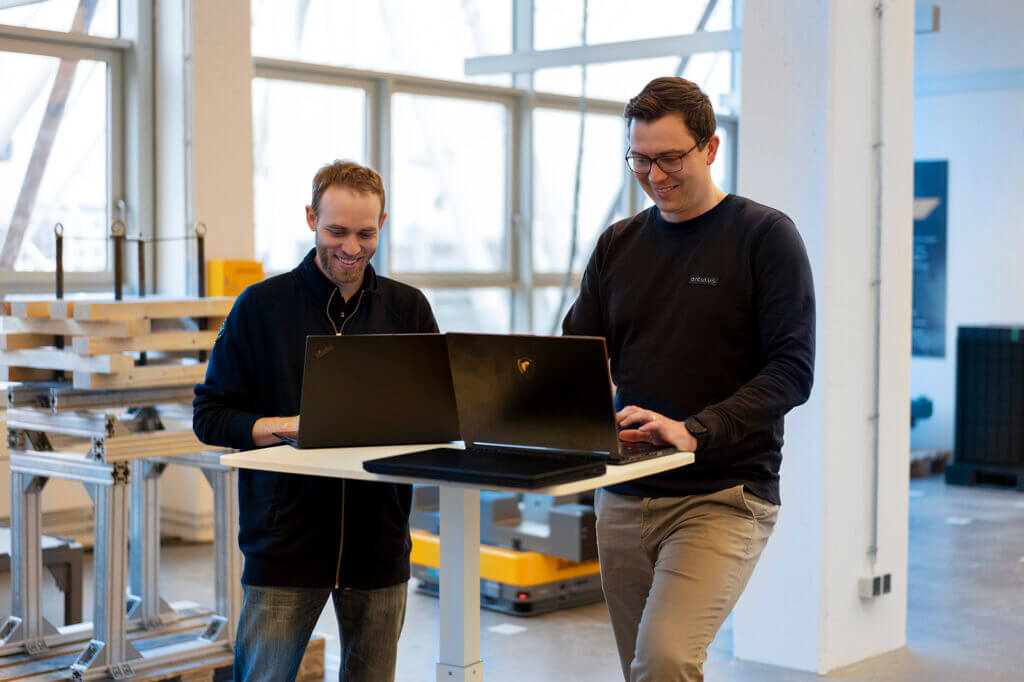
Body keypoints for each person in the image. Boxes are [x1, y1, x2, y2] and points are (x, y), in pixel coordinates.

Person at [562, 77, 816, 681]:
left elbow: (792, 370)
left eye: (670, 157)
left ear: (710, 148)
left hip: (723, 495)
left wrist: (695, 430)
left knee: (665, 659)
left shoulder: (764, 237)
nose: (655, 175)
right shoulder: (619, 244)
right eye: (640, 159)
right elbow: (578, 353)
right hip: (624, 491)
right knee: (643, 673)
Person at [193, 160, 439, 682]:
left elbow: (436, 415)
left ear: (383, 223)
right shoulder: (260, 308)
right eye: (337, 231)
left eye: (366, 233)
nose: (351, 247)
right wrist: (287, 426)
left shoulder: (409, 310)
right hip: (286, 546)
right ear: (310, 218)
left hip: (380, 546)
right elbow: (211, 416)